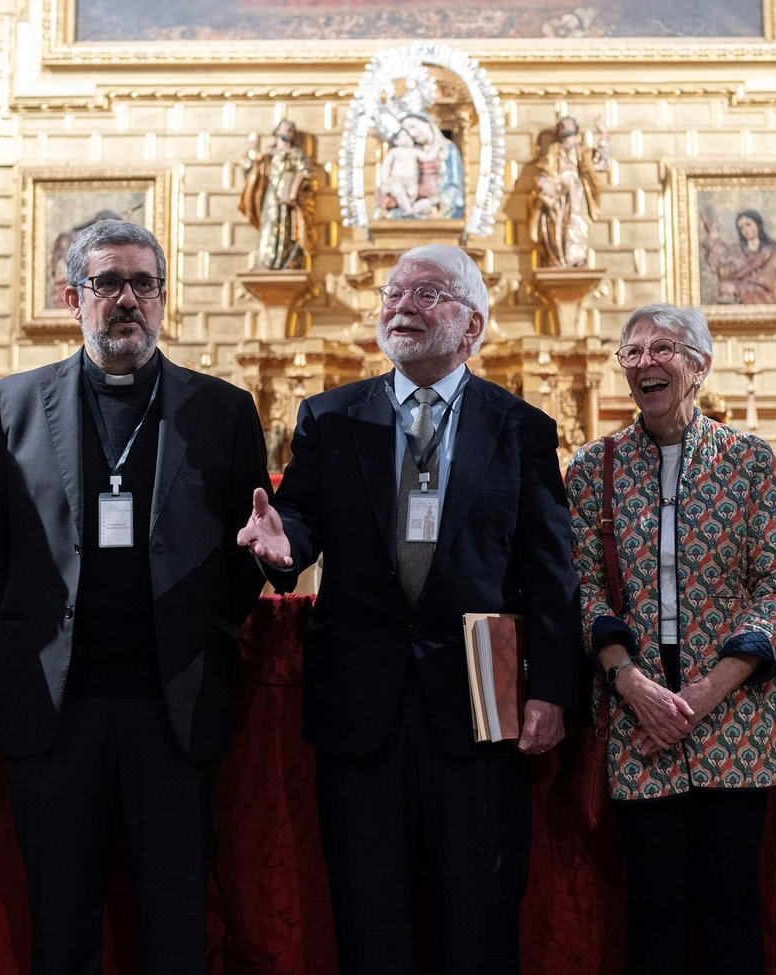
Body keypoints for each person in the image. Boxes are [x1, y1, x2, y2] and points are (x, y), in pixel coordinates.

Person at [237, 243, 581, 975]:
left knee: (480, 917)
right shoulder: (330, 418)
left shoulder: (521, 428)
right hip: (362, 705)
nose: (401, 306)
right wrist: (279, 543)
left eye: (427, 294)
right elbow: (300, 521)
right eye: (394, 294)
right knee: (370, 915)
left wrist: (552, 687)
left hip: (481, 712)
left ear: (473, 326)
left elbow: (550, 570)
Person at [0, 219, 270, 975]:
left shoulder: (223, 410)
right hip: (59, 706)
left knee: (176, 921)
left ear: (163, 299)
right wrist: (41, 624)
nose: (127, 299)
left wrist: (206, 621)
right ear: (74, 297)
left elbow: (249, 543)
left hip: (175, 706)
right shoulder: (15, 403)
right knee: (60, 923)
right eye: (108, 283)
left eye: (143, 284)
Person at [565, 303, 776, 974]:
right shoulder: (593, 470)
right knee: (655, 909)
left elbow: (775, 588)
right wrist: (634, 685)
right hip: (637, 719)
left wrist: (699, 696)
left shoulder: (750, 460)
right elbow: (581, 589)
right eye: (632, 352)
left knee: (732, 908)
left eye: (662, 348)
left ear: (699, 365)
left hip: (735, 718)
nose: (645, 362)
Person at [528, 116, 610, 269]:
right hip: (557, 193)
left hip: (575, 192)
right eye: (563, 126)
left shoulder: (582, 150)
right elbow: (542, 172)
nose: (566, 128)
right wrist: (544, 183)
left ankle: (576, 258)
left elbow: (602, 163)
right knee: (555, 225)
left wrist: (603, 134)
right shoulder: (553, 151)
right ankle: (557, 258)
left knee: (576, 222)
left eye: (569, 125)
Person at [238, 118, 316, 270]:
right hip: (270, 196)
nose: (287, 133)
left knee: (288, 229)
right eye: (285, 129)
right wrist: (251, 157)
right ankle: (266, 260)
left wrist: (296, 185)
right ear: (277, 132)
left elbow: (308, 174)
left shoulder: (296, 154)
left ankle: (288, 261)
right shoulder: (269, 155)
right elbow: (251, 170)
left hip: (289, 199)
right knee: (269, 225)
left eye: (290, 130)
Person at [700, 209, 776, 305]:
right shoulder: (736, 251)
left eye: (748, 224)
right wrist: (713, 232)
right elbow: (718, 262)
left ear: (758, 224)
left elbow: (770, 287)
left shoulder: (773, 253)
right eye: (741, 227)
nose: (745, 230)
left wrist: (737, 289)